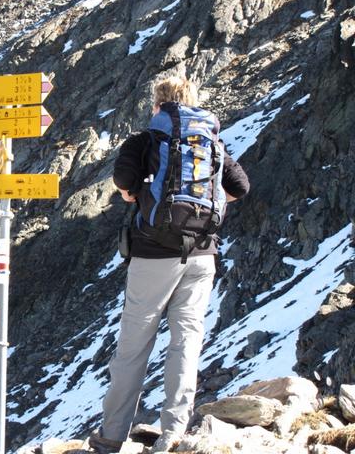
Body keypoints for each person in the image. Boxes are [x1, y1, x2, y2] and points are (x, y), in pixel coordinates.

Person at [89, 76, 250, 453]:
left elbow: (123, 179)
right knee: (186, 342)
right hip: (202, 255)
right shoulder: (209, 141)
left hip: (152, 256)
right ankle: (174, 431)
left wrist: (137, 195)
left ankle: (111, 436)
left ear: (157, 105)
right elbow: (240, 187)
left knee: (133, 347)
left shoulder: (147, 140)